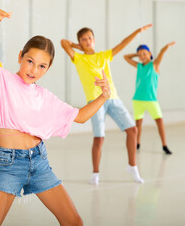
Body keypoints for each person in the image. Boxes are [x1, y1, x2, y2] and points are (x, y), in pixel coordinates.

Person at [0, 8, 111, 226]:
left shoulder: (45, 97)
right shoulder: (3, 79)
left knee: (74, 222)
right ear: (20, 56)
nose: (33, 70)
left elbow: (81, 116)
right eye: (30, 61)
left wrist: (104, 97)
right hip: (9, 164)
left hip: (38, 162)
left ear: (47, 69)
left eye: (41, 66)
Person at [60, 24, 152, 185]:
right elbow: (63, 42)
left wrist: (138, 31)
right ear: (80, 42)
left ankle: (133, 166)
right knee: (99, 138)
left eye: (90, 37)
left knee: (132, 130)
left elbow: (122, 44)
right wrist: (77, 46)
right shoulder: (78, 58)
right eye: (84, 39)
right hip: (96, 101)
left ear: (94, 39)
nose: (88, 41)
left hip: (113, 97)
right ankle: (95, 173)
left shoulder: (104, 55)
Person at [124, 42, 175, 154]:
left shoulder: (154, 65)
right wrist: (137, 54)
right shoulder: (138, 66)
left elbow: (161, 53)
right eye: (140, 55)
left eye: (144, 53)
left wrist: (165, 47)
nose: (142, 56)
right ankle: (137, 143)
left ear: (149, 53)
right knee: (138, 123)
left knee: (159, 121)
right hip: (138, 100)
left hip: (151, 100)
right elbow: (125, 57)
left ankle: (164, 145)